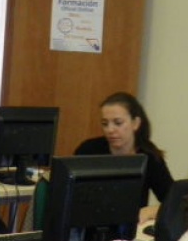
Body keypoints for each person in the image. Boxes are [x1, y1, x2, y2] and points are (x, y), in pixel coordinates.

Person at [74, 91, 173, 224]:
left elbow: (173, 201)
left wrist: (150, 211)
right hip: (86, 227)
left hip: (130, 230)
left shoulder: (149, 156)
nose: (110, 130)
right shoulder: (88, 150)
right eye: (105, 123)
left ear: (135, 123)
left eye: (118, 123)